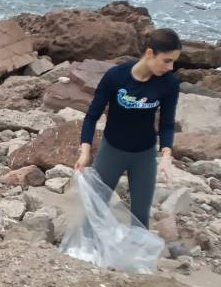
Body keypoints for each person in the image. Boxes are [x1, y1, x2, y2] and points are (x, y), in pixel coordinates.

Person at [74, 28, 181, 229]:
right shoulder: (116, 76)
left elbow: (167, 123)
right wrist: (85, 152)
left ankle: (136, 258)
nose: (171, 67)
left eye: (173, 61)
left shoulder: (169, 84)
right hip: (112, 150)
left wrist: (166, 155)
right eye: (167, 60)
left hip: (144, 154)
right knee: (96, 206)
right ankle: (85, 255)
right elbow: (92, 116)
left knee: (140, 215)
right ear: (150, 53)